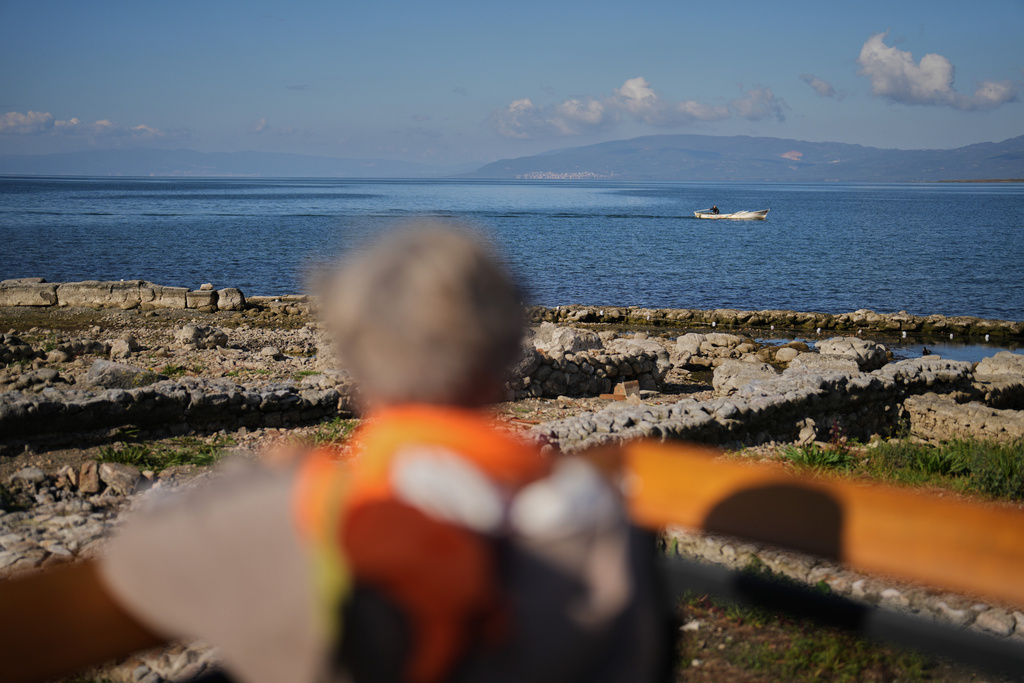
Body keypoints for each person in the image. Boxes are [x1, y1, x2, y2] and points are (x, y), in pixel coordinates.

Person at [1, 222, 672, 683]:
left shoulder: (291, 523)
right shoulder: (612, 532)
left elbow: (140, 556)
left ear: (355, 362)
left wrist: (263, 482)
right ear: (505, 357)